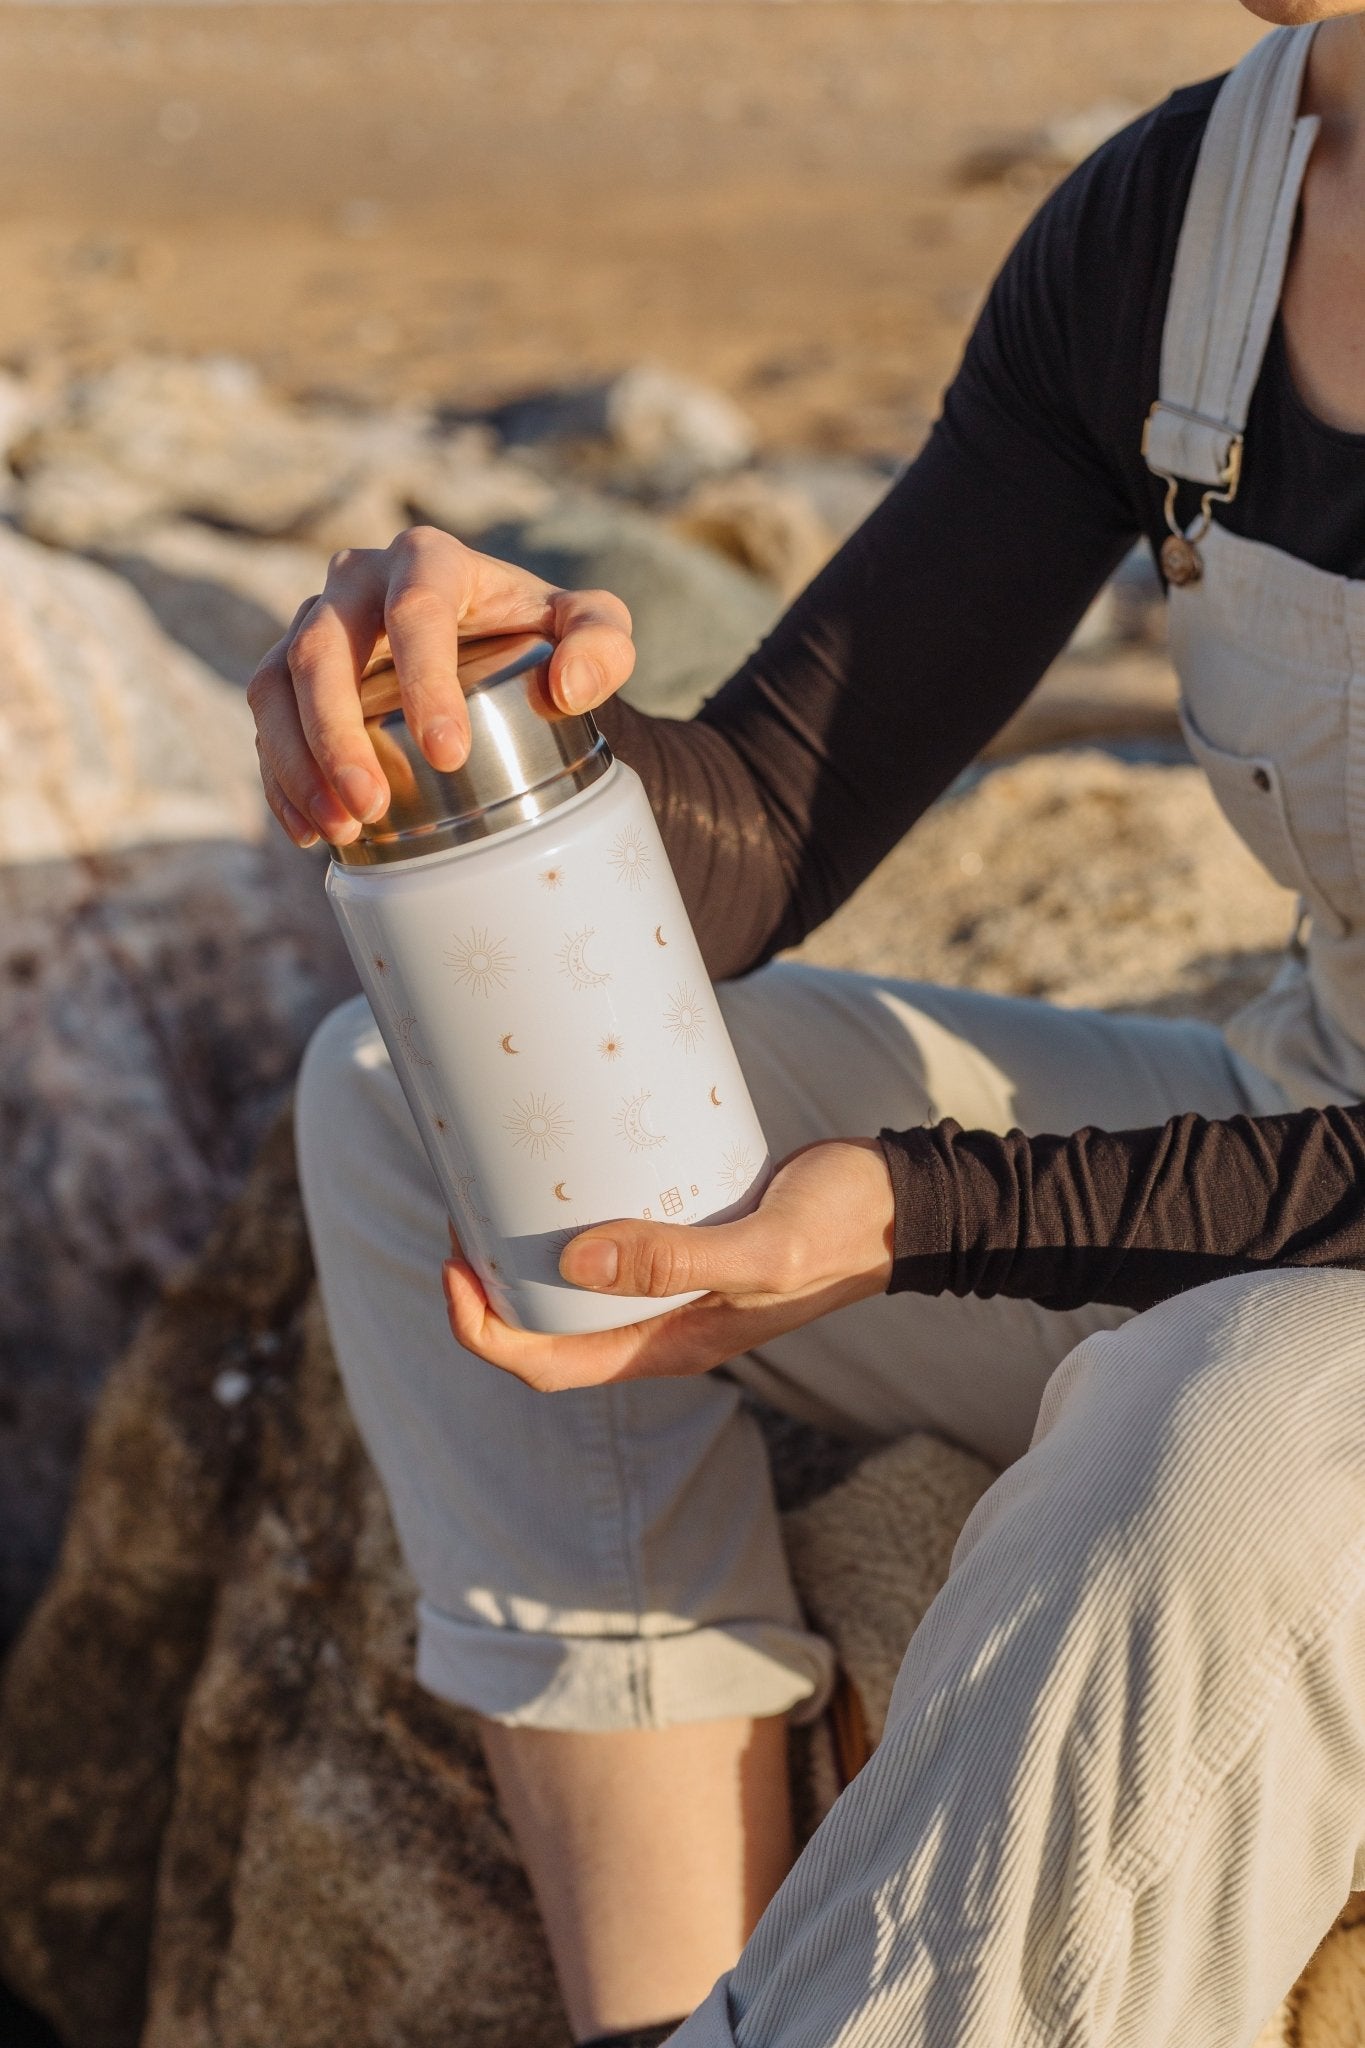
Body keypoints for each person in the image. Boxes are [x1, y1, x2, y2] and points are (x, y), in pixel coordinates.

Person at [249, 4, 1365, 2042]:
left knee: (1211, 1438)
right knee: (432, 1108)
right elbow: (767, 821)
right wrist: (497, 735)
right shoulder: (1190, 222)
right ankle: (678, 2009)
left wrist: (915, 1212)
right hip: (1303, 1123)